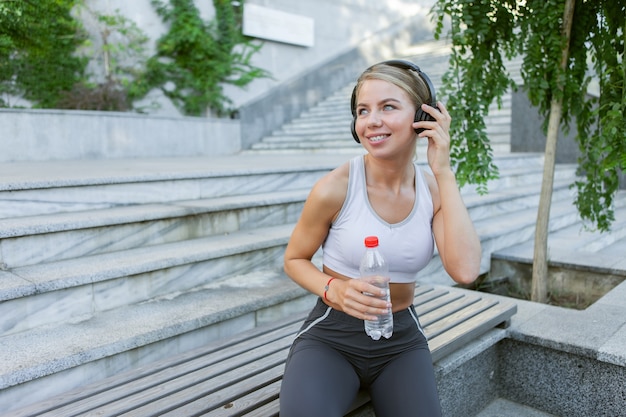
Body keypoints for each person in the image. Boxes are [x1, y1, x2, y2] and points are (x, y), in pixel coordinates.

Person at [279, 60, 482, 417]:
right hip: (332, 336)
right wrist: (334, 290)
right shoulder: (335, 187)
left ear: (423, 116)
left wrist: (444, 171)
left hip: (400, 340)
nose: (371, 121)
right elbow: (294, 260)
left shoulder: (433, 188)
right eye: (362, 110)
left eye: (388, 106)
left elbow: (465, 270)